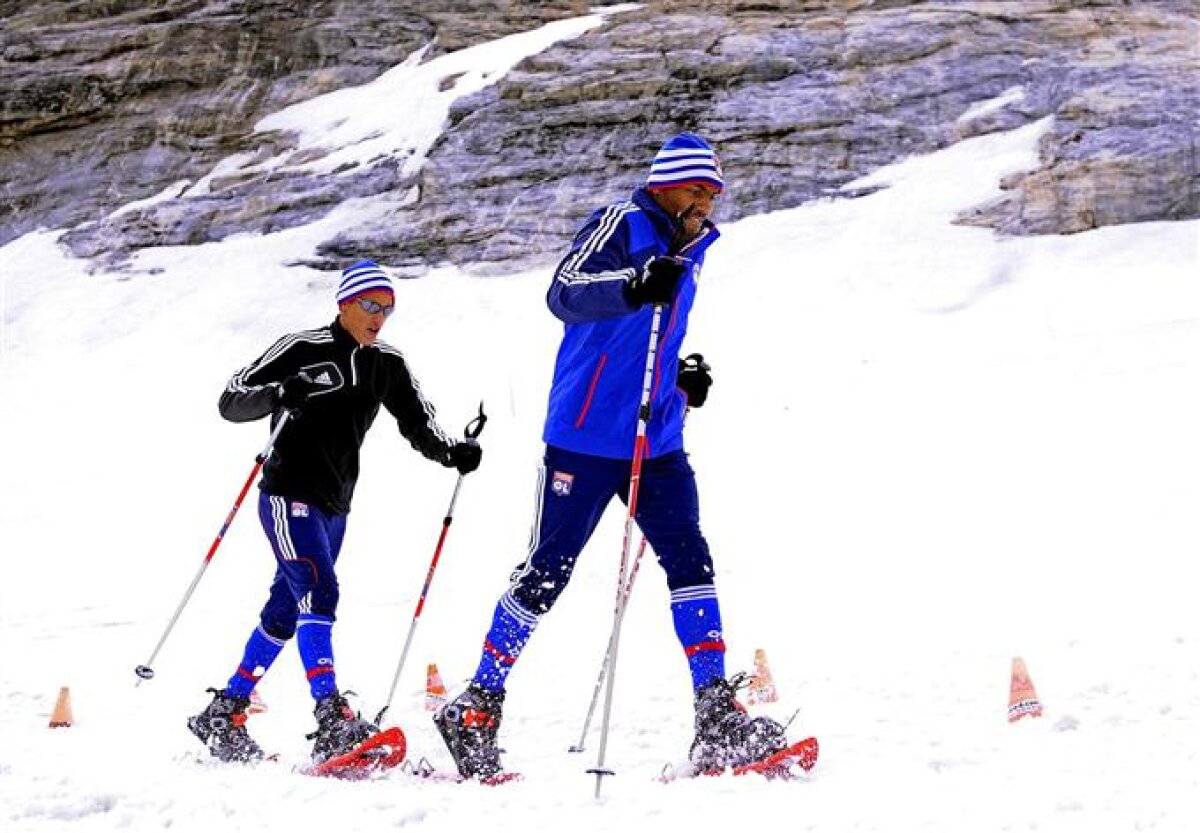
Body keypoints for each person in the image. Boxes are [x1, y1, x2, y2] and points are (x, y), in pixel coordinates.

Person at [434, 133, 786, 780]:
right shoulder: (622, 223)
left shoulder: (694, 249)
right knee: (548, 569)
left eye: (714, 191)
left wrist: (682, 377)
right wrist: (633, 282)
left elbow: (648, 338)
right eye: (698, 189)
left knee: (691, 557)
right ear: (666, 186)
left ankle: (715, 717)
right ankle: (477, 704)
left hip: (657, 440)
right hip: (585, 434)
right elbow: (564, 293)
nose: (709, 201)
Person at [187, 260, 483, 764]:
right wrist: (279, 393)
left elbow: (418, 422)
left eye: (388, 308)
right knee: (319, 589)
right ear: (344, 304)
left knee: (287, 608)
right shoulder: (301, 349)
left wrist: (452, 451)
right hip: (286, 495)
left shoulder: (386, 364)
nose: (379, 316)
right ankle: (331, 717)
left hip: (334, 505)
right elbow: (230, 401)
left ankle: (226, 711)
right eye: (370, 305)